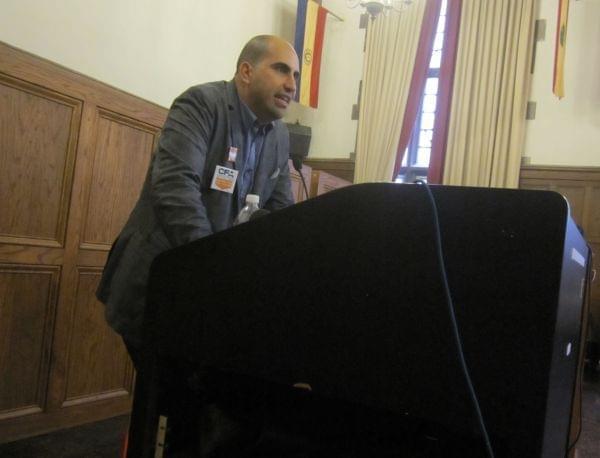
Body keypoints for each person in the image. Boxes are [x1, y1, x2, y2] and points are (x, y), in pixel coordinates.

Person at [96, 35, 299, 366]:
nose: (291, 85)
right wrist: (211, 268)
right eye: (281, 70)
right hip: (159, 283)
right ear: (246, 72)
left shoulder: (278, 135)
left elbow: (281, 215)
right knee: (169, 398)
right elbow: (175, 187)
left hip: (214, 296)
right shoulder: (202, 104)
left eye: (295, 76)